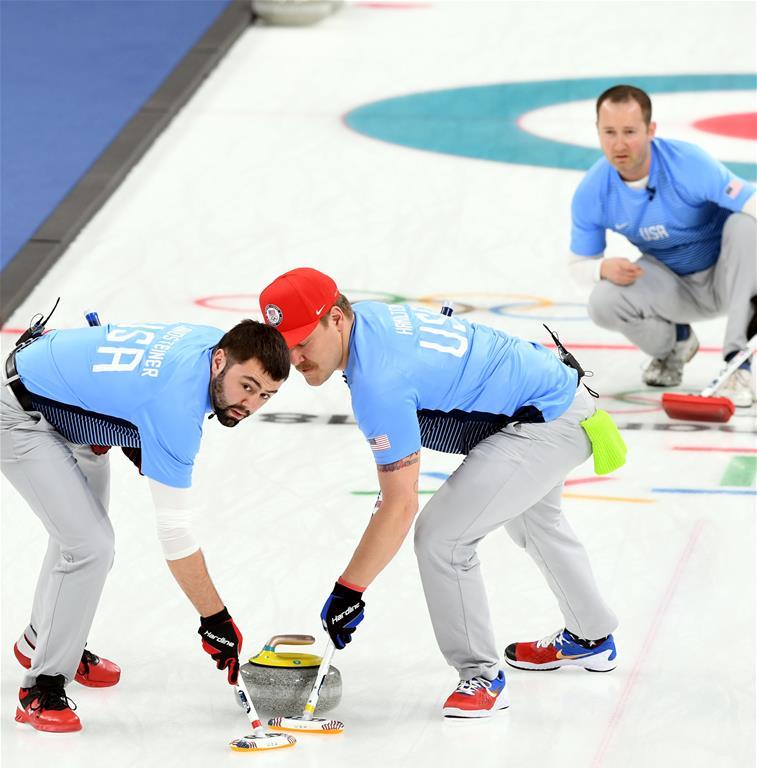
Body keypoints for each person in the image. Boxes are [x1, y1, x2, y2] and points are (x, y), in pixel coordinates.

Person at [259, 268, 620, 720]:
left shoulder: (378, 381)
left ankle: (483, 677)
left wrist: (349, 590)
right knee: (535, 521)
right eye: (284, 344)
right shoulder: (367, 324)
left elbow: (401, 504)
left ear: (335, 318)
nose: (294, 357)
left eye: (301, 341)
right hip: (555, 399)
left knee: (442, 538)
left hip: (546, 421)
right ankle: (592, 637)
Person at [1, 308, 290, 733]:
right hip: (19, 415)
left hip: (69, 412)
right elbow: (175, 534)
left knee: (79, 539)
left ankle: (44, 641)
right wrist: (214, 619)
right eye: (246, 387)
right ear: (219, 361)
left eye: (264, 396)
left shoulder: (215, 341)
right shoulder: (176, 411)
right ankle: (40, 687)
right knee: (89, 546)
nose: (249, 405)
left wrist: (118, 417)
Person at [569, 84, 756, 404]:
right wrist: (601, 268)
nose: (619, 144)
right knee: (602, 302)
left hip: (731, 276)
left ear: (650, 130)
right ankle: (677, 344)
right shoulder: (592, 192)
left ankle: (738, 365)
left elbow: (752, 202)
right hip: (672, 285)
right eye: (609, 132)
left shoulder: (688, 164)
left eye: (629, 131)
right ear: (597, 132)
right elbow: (577, 266)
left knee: (745, 225)